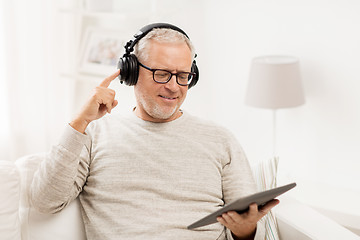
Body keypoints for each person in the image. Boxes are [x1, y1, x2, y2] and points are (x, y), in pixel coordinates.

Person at [31, 23, 279, 240]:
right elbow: (45, 202)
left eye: (183, 76)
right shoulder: (94, 134)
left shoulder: (220, 139)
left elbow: (247, 227)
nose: (174, 87)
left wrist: (245, 231)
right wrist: (79, 122)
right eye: (162, 74)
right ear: (132, 72)